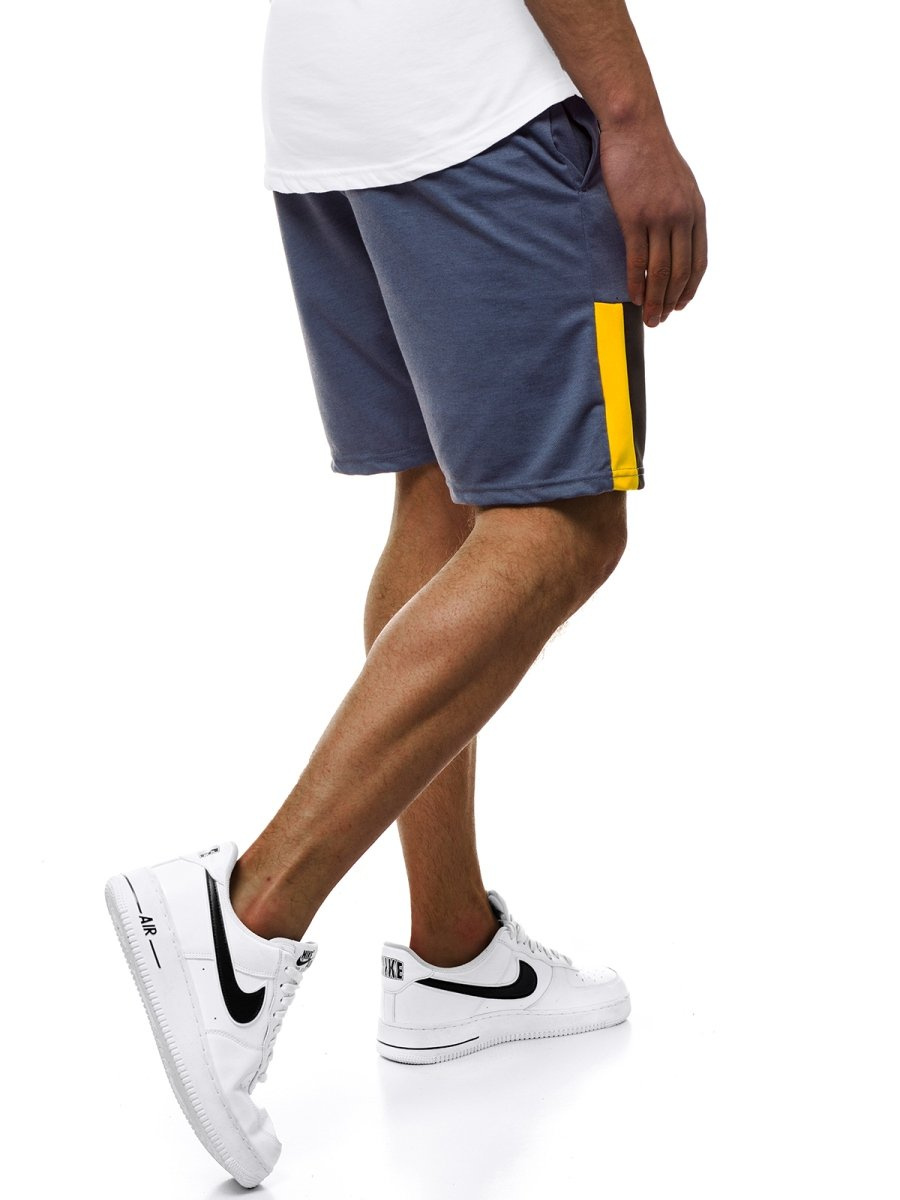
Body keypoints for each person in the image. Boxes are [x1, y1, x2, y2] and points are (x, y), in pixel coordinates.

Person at [105, 0, 706, 1187]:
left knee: (443, 501)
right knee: (563, 524)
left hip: (336, 107)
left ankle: (454, 954)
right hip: (484, 108)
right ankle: (247, 916)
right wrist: (633, 116)